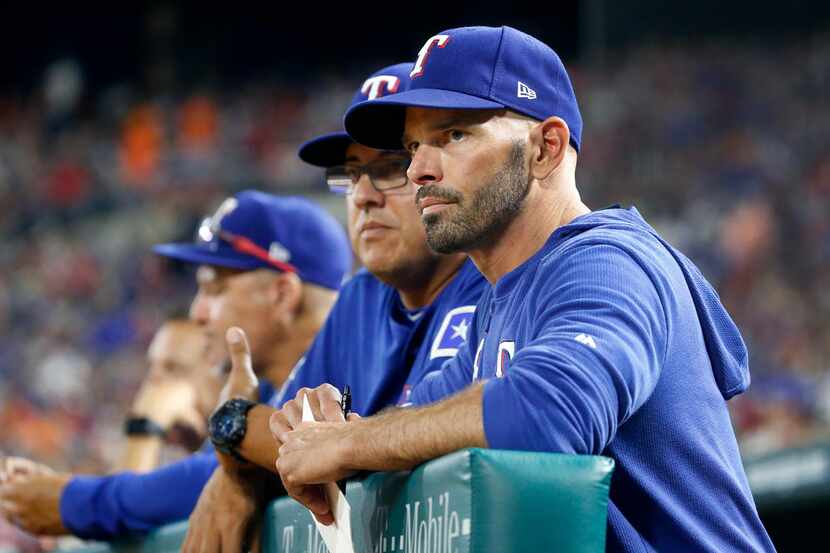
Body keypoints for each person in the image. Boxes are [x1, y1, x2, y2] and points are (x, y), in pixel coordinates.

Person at [271, 26, 776, 552]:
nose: (419, 169)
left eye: (453, 136)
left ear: (545, 148)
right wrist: (327, 432)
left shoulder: (606, 262)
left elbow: (550, 414)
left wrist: (348, 442)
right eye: (414, 146)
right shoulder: (497, 302)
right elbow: (419, 418)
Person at [180, 63, 488, 552]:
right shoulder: (362, 298)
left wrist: (237, 431)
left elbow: (411, 437)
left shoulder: (493, 281)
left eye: (390, 168)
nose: (362, 196)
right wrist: (237, 475)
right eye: (350, 175)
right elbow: (288, 438)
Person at [0, 190, 351, 539]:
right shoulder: (268, 393)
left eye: (214, 290)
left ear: (282, 293)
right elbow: (201, 478)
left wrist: (71, 501)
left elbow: (194, 482)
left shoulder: (345, 377)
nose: (198, 313)